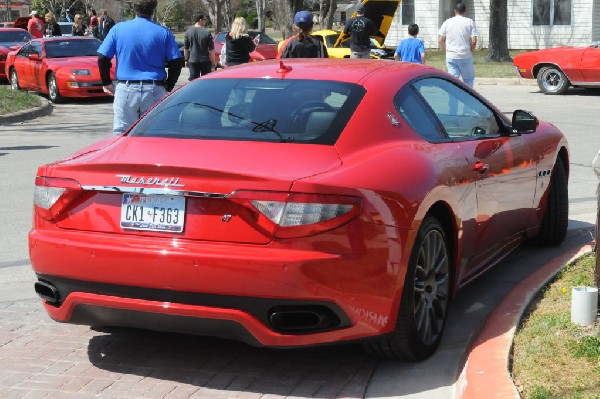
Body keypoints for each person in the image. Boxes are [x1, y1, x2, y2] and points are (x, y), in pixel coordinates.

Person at [97, 0, 183, 135]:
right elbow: (176, 62)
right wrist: (168, 86)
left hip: (126, 88)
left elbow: (103, 58)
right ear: (153, 10)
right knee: (154, 134)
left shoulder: (118, 29)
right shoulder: (163, 32)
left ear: (134, 9)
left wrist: (106, 82)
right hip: (154, 88)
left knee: (123, 134)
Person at [438, 2, 478, 87]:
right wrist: (471, 49)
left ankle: (453, 99)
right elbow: (474, 41)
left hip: (451, 55)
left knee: (453, 81)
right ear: (464, 11)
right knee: (468, 80)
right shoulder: (470, 22)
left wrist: (446, 50)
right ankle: (468, 98)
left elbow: (440, 40)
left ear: (454, 11)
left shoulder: (447, 22)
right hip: (465, 55)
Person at [183, 14, 216, 79]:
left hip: (193, 60)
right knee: (206, 81)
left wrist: (186, 59)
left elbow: (186, 49)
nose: (205, 21)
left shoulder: (188, 33)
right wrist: (213, 61)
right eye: (205, 20)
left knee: (194, 81)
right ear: (200, 20)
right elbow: (211, 49)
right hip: (205, 60)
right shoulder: (207, 32)